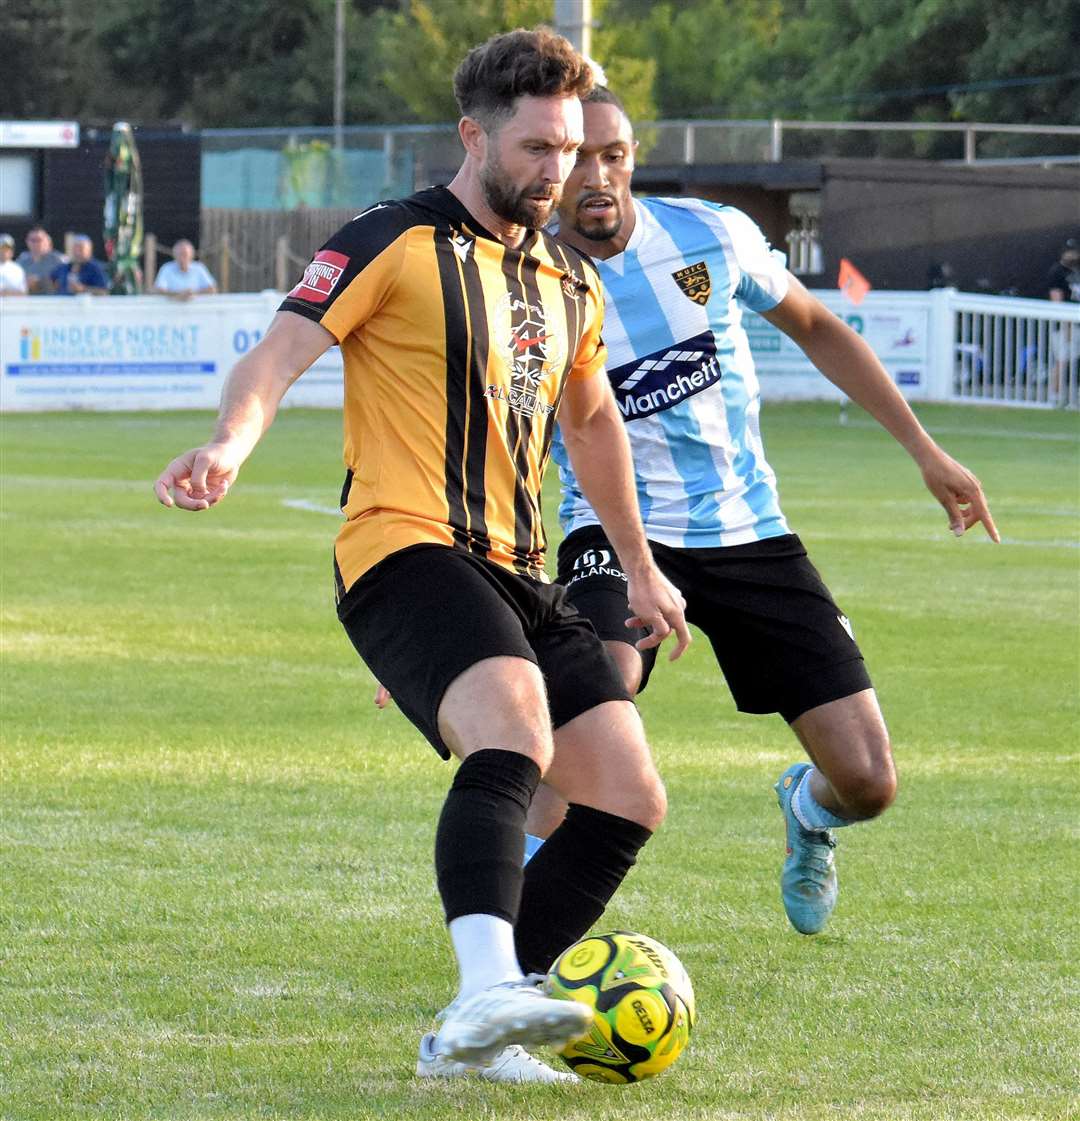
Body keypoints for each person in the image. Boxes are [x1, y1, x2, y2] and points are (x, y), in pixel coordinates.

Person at [154, 29, 689, 1085]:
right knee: (515, 729)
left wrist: (636, 562)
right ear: (473, 134)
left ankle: (487, 1018)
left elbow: (592, 422)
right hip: (403, 548)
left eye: (573, 149)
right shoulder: (391, 239)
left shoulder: (566, 281)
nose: (559, 172)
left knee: (628, 792)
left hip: (525, 567)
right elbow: (280, 350)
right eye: (538, 147)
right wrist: (229, 441)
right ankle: (487, 989)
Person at [523, 86, 999, 937]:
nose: (596, 175)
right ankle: (511, 938)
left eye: (614, 155)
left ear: (635, 156)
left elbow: (817, 325)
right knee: (596, 689)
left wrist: (928, 452)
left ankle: (808, 814)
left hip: (752, 533)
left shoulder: (710, 235)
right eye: (576, 158)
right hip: (614, 531)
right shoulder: (528, 279)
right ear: (550, 165)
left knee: (868, 782)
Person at [1046, 239, 1080, 405]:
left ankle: (1072, 397)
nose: (1072, 255)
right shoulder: (1057, 271)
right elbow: (1057, 300)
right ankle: (1054, 395)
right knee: (1062, 359)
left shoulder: (1076, 271)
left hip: (1078, 321)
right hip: (1064, 325)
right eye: (1069, 251)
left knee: (1073, 359)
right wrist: (1065, 324)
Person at [152, 239, 217, 298]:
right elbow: (158, 290)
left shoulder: (199, 268)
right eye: (180, 254)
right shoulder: (166, 268)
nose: (182, 257)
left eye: (185, 254)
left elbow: (212, 289)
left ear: (191, 255)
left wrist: (192, 293)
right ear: (174, 255)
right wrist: (179, 295)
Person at [16, 226, 66, 294]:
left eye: (39, 240)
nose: (36, 244)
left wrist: (41, 282)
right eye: (33, 240)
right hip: (27, 301)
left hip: (53, 301)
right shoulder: (21, 260)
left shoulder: (59, 260)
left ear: (48, 242)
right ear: (27, 242)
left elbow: (65, 282)